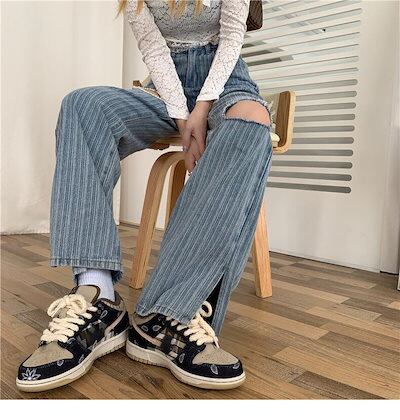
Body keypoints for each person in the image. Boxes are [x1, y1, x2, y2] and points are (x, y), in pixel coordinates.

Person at [16, 0, 272, 392]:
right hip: (164, 88)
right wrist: (182, 116)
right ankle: (97, 295)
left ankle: (171, 313)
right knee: (83, 105)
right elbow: (154, 49)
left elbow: (231, 39)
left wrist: (202, 108)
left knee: (251, 122)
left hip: (226, 84)